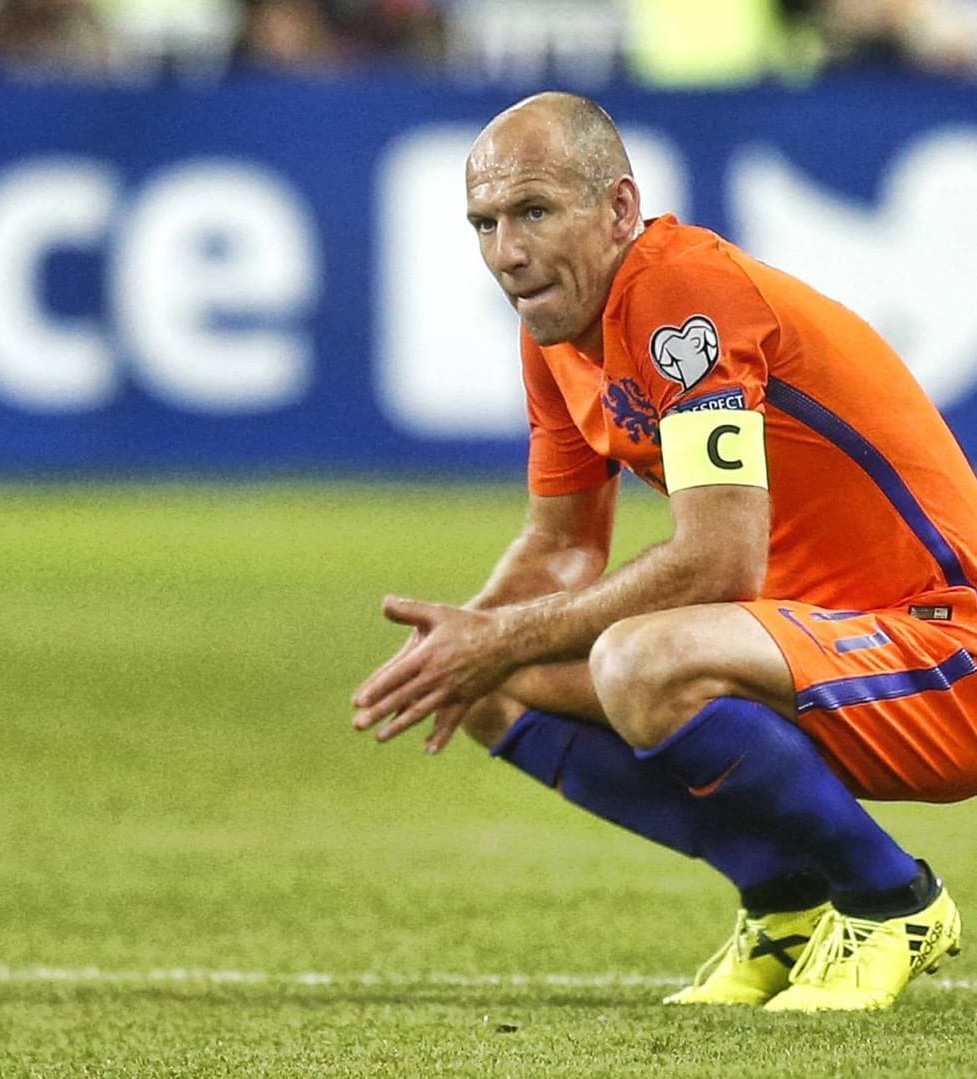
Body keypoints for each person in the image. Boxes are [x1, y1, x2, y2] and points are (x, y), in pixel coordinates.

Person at [351, 90, 977, 1011]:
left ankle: (893, 901)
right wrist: (465, 647)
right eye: (483, 223)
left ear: (618, 208)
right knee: (493, 680)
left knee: (642, 659)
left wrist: (499, 634)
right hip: (811, 649)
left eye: (532, 212)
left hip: (943, 653)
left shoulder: (681, 294)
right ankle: (788, 904)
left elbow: (717, 560)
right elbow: (561, 547)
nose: (506, 253)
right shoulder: (560, 334)